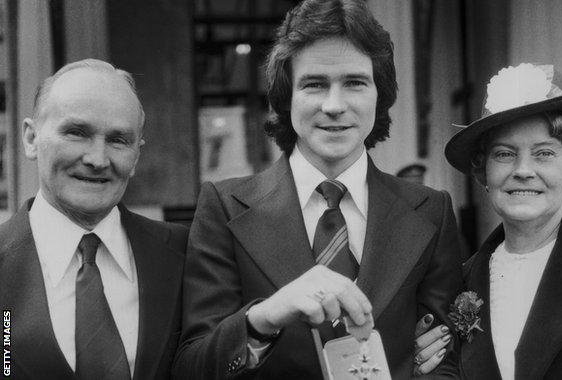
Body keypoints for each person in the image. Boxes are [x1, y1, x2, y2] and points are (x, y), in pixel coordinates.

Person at [173, 0, 463, 378]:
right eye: (314, 84)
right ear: (285, 97)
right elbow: (191, 368)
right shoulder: (224, 207)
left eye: (355, 83)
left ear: (381, 95)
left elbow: (446, 361)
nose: (334, 105)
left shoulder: (431, 211)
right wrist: (264, 316)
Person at [0, 59, 188, 379]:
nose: (98, 159)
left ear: (137, 154)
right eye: (77, 133)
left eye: (118, 140)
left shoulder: (187, 255)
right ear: (31, 139)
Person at [444, 63, 562, 379]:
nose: (523, 169)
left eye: (544, 154)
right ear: (485, 172)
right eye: (504, 154)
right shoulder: (459, 282)